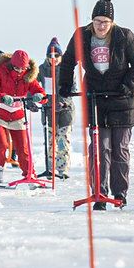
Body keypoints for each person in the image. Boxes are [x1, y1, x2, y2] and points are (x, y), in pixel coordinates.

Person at [76, 0, 134, 209]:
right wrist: (64, 86)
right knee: (100, 149)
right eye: (97, 21)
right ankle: (99, 193)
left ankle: (120, 194)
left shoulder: (124, 36)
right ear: (92, 21)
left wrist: (128, 84)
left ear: (112, 22)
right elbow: (69, 59)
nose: (101, 26)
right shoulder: (83, 35)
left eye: (105, 22)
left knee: (119, 150)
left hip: (122, 102)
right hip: (97, 101)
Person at [0, 50, 47, 183]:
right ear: (11, 65)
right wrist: (2, 97)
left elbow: (40, 92)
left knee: (23, 148)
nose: (19, 70)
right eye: (16, 68)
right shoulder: (0, 72)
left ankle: (29, 173)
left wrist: (40, 97)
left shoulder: (29, 75)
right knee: (2, 144)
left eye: (22, 68)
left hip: (17, 116)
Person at [42, 38, 76, 178]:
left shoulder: (67, 70)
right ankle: (51, 169)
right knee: (50, 142)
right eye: (50, 56)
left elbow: (73, 89)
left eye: (56, 55)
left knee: (62, 142)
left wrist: (64, 102)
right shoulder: (42, 70)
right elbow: (34, 86)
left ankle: (63, 170)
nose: (53, 58)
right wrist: (34, 99)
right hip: (48, 111)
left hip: (65, 113)